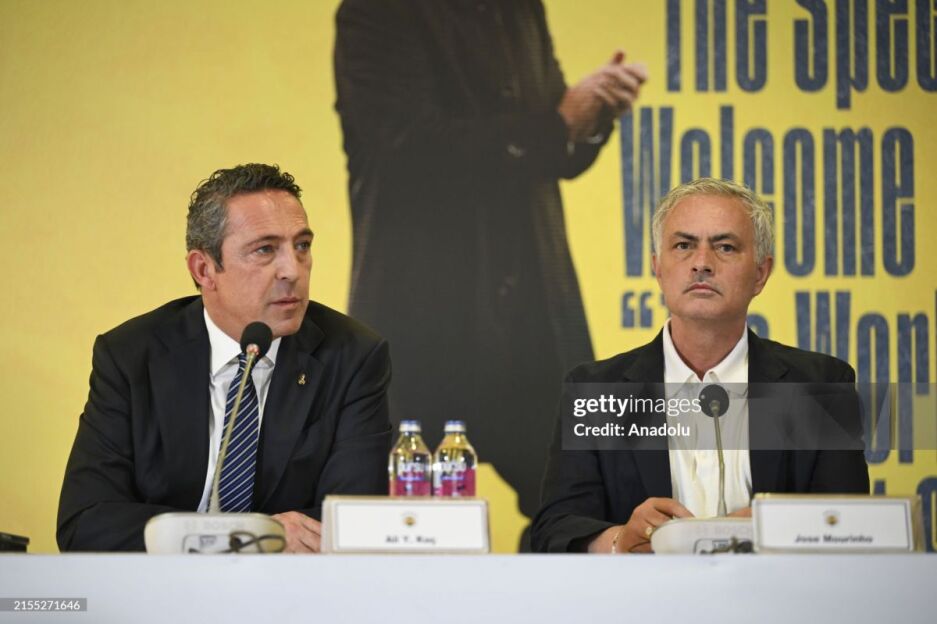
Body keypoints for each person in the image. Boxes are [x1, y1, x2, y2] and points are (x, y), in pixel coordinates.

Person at [333, 0, 648, 525]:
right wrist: (556, 125)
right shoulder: (378, 12)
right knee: (408, 526)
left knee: (585, 508)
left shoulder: (520, 9)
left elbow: (552, 144)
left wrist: (590, 116)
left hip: (534, 314)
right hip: (426, 320)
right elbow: (408, 151)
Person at [57, 164, 392, 552]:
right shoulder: (131, 356)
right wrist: (246, 536)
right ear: (204, 269)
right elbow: (85, 522)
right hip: (161, 585)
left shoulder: (351, 357)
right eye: (265, 250)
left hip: (291, 588)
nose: (292, 270)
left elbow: (351, 523)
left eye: (302, 246)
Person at [531, 177, 870, 553]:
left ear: (760, 274)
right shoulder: (594, 391)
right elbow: (555, 529)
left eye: (725, 247)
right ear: (658, 268)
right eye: (683, 246)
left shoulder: (822, 386)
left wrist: (777, 524)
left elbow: (850, 524)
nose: (702, 264)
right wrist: (619, 540)